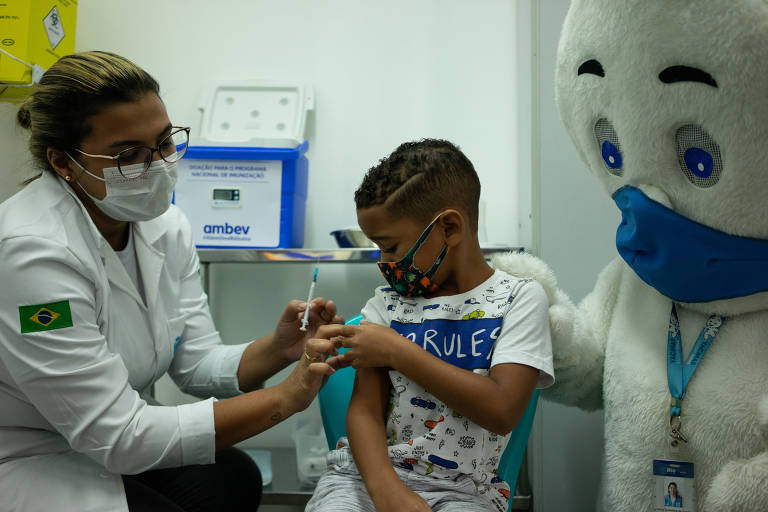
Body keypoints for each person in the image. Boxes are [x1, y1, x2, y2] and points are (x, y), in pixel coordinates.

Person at [0, 51, 342, 512]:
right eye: (128, 156)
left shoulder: (163, 226)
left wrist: (279, 350)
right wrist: (285, 398)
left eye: (164, 142)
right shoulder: (32, 252)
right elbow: (118, 435)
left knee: (234, 479)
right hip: (27, 452)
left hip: (111, 436)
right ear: (63, 162)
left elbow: (195, 363)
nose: (158, 165)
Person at [305, 139, 555, 512]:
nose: (384, 262)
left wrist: (397, 351)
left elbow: (502, 410)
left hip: (464, 492)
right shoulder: (386, 305)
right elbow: (364, 411)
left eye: (390, 247)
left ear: (449, 228)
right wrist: (387, 492)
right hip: (361, 478)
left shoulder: (518, 299)